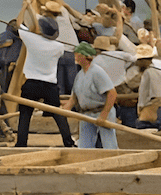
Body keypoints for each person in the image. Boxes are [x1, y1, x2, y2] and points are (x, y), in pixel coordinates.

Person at [15, 15, 75, 147]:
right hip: (50, 84)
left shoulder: (31, 39)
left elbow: (18, 23)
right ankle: (68, 142)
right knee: (58, 114)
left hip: (31, 83)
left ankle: (21, 143)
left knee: (25, 114)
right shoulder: (59, 46)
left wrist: (25, 6)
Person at [63, 42, 118, 148]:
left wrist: (104, 115)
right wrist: (67, 107)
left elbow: (112, 93)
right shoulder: (79, 75)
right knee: (84, 145)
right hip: (86, 113)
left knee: (109, 144)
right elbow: (75, 95)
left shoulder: (97, 72)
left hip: (101, 111)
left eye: (77, 54)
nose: (76, 57)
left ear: (83, 56)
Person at [135, 44, 161, 129]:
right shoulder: (158, 71)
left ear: (143, 60)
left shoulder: (148, 73)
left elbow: (143, 94)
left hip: (157, 111)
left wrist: (140, 109)